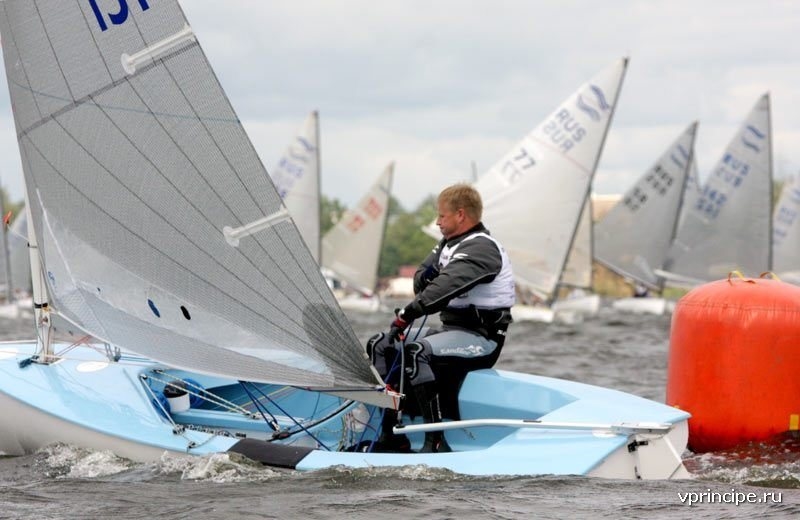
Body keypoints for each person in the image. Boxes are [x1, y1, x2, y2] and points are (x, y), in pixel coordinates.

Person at [366, 183, 515, 453]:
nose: (437, 222)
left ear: (460, 214)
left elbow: (443, 288)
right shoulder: (448, 245)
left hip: (483, 338)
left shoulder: (483, 248)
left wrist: (407, 314)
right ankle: (390, 433)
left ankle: (436, 441)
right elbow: (420, 281)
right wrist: (430, 277)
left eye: (442, 216)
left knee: (417, 352)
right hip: (450, 332)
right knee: (381, 343)